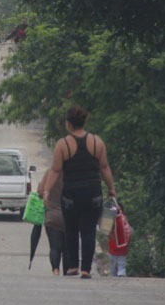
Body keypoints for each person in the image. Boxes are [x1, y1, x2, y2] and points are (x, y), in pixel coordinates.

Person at [37, 105, 116, 278]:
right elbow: (104, 167)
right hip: (93, 193)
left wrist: (47, 191)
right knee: (88, 232)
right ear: (84, 122)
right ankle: (86, 269)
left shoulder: (63, 144)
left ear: (68, 124)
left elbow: (55, 171)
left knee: (71, 230)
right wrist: (111, 189)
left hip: (71, 194)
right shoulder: (97, 142)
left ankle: (73, 266)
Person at [108, 202, 131, 277]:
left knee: (113, 269)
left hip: (113, 250)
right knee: (121, 266)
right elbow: (129, 231)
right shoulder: (124, 220)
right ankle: (121, 276)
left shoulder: (111, 221)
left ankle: (115, 278)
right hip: (122, 250)